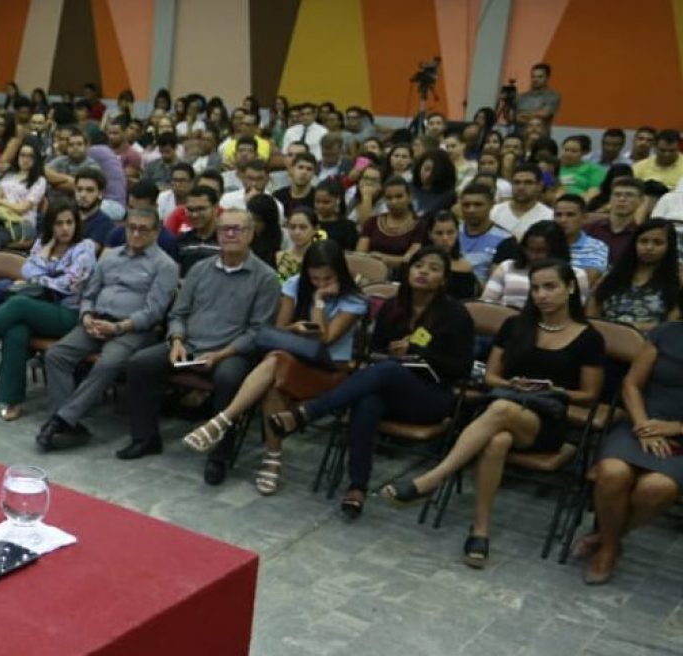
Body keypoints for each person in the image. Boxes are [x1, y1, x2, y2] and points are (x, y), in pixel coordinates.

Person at [382, 260, 602, 568]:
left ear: (570, 288)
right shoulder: (516, 325)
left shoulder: (588, 337)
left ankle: (432, 479)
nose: (541, 295)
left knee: (499, 410)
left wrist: (554, 389)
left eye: (550, 287)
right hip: (505, 405)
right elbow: (490, 379)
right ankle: (481, 530)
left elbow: (590, 395)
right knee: (497, 440)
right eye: (535, 288)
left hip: (545, 420)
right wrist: (512, 383)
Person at [269, 247, 475, 519]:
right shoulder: (393, 307)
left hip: (432, 396)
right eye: (418, 266)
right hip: (390, 389)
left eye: (433, 268)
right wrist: (393, 354)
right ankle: (357, 487)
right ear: (408, 270)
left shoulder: (455, 314)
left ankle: (310, 411)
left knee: (388, 371)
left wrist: (419, 352)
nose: (424, 272)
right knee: (368, 400)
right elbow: (373, 353)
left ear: (445, 279)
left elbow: (462, 368)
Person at [184, 240, 366, 494]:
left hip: (330, 370)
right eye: (314, 278)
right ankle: (271, 461)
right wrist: (294, 329)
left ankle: (222, 421)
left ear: (340, 273)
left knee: (275, 363)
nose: (321, 283)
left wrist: (319, 300)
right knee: (273, 381)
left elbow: (324, 339)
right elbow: (277, 331)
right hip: (293, 361)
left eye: (327, 278)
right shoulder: (293, 285)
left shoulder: (354, 300)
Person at [119, 208, 281, 481]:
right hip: (189, 345)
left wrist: (221, 354)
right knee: (139, 364)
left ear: (251, 234)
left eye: (237, 229)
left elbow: (257, 332)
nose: (229, 234)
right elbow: (178, 314)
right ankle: (145, 438)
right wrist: (177, 340)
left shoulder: (265, 278)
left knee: (230, 379)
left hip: (231, 351)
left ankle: (219, 457)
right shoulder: (199, 269)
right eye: (224, 229)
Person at [0, 201, 97, 421]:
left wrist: (41, 272)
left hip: (69, 314)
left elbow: (68, 284)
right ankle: (11, 399)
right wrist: (46, 258)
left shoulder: (84, 248)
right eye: (59, 223)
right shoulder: (43, 243)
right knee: (16, 329)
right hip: (40, 306)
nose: (65, 228)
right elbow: (26, 269)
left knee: (18, 304)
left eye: (69, 222)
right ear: (51, 225)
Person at [37, 207, 179, 451]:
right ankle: (66, 423)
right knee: (56, 355)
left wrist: (118, 327)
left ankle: (60, 420)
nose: (135, 234)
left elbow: (153, 311)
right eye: (131, 228)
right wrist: (86, 316)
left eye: (143, 229)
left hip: (133, 330)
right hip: (96, 322)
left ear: (156, 232)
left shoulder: (165, 265)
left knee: (108, 363)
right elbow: (89, 293)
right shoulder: (110, 256)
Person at [581, 321, 683, 584]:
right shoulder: (667, 332)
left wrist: (675, 427)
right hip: (642, 422)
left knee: (657, 488)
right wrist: (642, 425)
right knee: (612, 472)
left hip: (679, 434)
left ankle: (607, 539)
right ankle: (610, 547)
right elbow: (631, 385)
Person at [589, 220, 682, 331]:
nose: (649, 247)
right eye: (643, 241)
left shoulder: (677, 280)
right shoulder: (613, 273)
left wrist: (632, 329)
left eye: (657, 243)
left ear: (669, 246)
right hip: (606, 337)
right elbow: (593, 308)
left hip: (652, 342)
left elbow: (671, 325)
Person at [483, 221, 587, 310]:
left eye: (541, 251)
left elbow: (575, 312)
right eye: (529, 249)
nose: (533, 256)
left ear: (556, 250)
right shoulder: (507, 267)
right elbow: (486, 303)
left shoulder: (577, 275)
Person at [357, 176, 425, 272]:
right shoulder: (372, 222)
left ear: (410, 197)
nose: (394, 202)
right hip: (370, 273)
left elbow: (411, 259)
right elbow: (360, 255)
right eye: (389, 198)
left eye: (399, 196)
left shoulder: (419, 225)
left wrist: (383, 258)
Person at [0, 138, 47, 247]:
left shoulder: (39, 181)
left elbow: (22, 209)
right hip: (0, 219)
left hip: (23, 224)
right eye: (22, 155)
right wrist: (0, 201)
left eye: (30, 156)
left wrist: (1, 201)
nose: (25, 159)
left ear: (36, 159)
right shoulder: (8, 176)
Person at [457, 184, 511, 285]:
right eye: (466, 205)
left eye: (478, 205)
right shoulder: (451, 232)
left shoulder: (505, 240)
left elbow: (497, 283)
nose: (471, 210)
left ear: (491, 205)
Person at [586, 176, 645, 267]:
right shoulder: (589, 228)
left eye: (629, 195)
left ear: (641, 201)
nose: (622, 199)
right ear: (610, 198)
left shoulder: (640, 236)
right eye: (617, 195)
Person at [552, 193, 609, 283]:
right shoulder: (545, 243)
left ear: (584, 218)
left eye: (570, 215)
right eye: (558, 215)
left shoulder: (596, 247)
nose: (563, 220)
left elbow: (586, 281)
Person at [425, 210, 482, 300]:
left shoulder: (465, 268)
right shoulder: (417, 264)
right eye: (439, 233)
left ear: (457, 233)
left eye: (450, 232)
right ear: (430, 234)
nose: (445, 238)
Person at [491, 163, 554, 240]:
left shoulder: (549, 216)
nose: (521, 187)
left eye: (528, 183)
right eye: (517, 182)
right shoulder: (493, 212)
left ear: (539, 186)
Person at [174, 186, 222, 275]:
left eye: (201, 209)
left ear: (215, 208)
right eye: (190, 210)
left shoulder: (227, 240)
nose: (194, 215)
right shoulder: (182, 241)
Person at [312, 179, 359, 251]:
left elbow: (350, 254)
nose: (321, 206)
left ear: (338, 200)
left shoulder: (348, 227)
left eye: (326, 202)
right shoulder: (309, 222)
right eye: (317, 202)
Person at [275, 207, 320, 280]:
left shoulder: (321, 258)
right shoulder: (279, 257)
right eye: (292, 227)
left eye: (303, 227)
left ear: (315, 229)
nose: (297, 232)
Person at [515, 62, 560, 128]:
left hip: (540, 136)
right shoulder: (521, 97)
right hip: (519, 135)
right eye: (533, 76)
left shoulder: (552, 96)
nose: (535, 79)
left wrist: (523, 116)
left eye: (540, 77)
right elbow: (514, 117)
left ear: (547, 77)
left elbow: (544, 114)